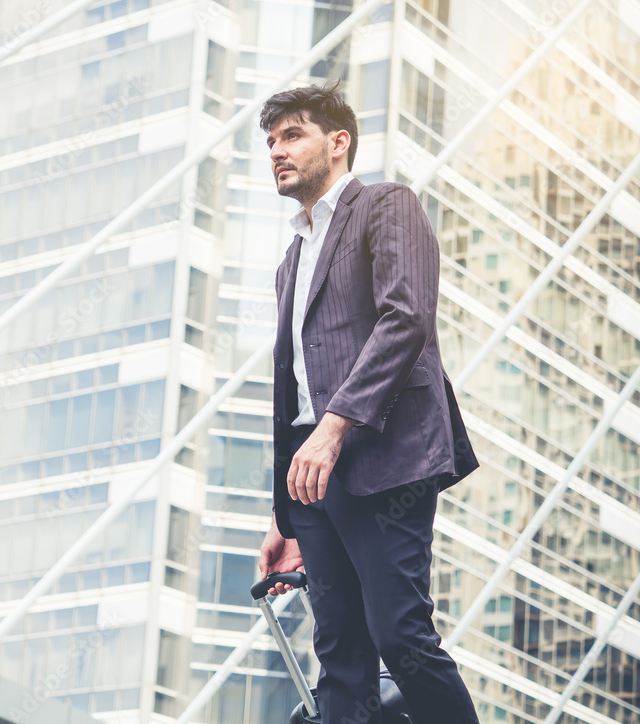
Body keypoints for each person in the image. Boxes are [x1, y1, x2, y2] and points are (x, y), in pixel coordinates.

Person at [256, 80, 481, 724]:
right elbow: (296, 386)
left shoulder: (387, 205)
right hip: (314, 481)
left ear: (339, 141)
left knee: (400, 636)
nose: (278, 150)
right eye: (271, 141)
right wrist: (285, 516)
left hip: (384, 456)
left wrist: (332, 431)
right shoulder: (291, 260)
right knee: (340, 658)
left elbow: (406, 318)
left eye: (292, 135)